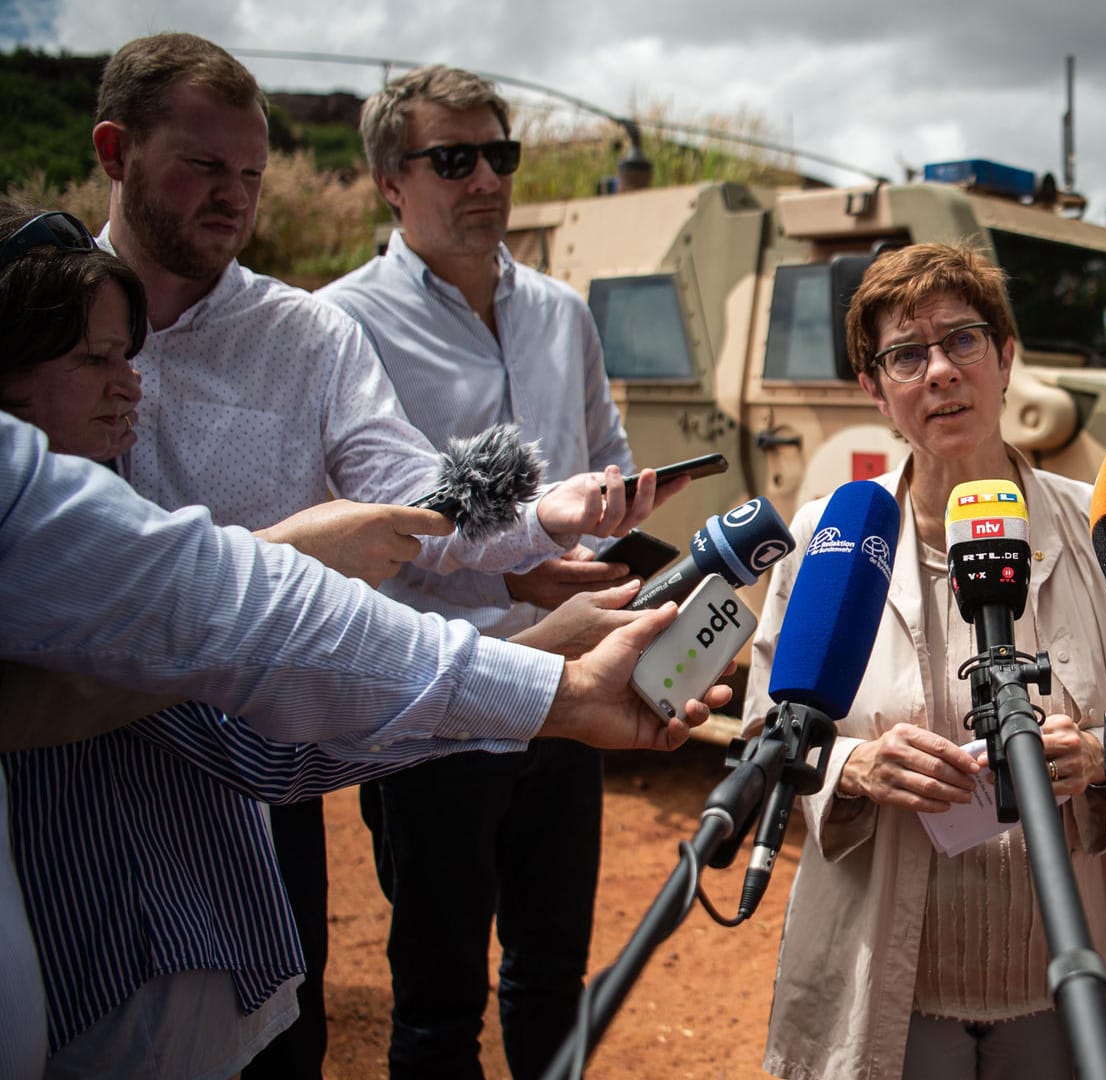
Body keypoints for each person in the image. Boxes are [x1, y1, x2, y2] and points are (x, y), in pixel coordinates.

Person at [0, 198, 711, 1080]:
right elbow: (254, 694)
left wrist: (537, 530)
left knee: (533, 962)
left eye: (129, 354)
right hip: (119, 992)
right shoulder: (51, 522)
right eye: (97, 358)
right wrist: (547, 665)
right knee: (439, 989)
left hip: (214, 958)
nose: (131, 384)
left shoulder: (332, 328)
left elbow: (393, 503)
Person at [744, 243, 1106, 1080]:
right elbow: (767, 728)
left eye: (963, 341)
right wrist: (854, 766)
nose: (940, 372)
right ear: (874, 391)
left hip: (1065, 978)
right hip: (892, 985)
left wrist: (1100, 758)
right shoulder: (827, 541)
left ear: (1007, 357)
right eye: (906, 355)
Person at [317, 65, 636, 1079]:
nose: (486, 180)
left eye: (499, 155)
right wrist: (511, 582)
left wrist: (603, 535)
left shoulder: (562, 314)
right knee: (439, 1002)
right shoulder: (337, 327)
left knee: (551, 975)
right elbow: (353, 538)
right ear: (388, 182)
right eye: (453, 159)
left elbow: (605, 453)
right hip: (431, 699)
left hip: (566, 688)